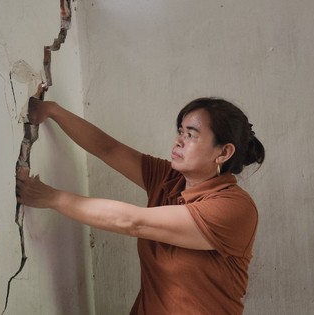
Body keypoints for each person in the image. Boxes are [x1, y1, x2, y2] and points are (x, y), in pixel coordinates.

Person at [16, 94, 265, 315]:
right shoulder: (169, 179)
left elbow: (133, 222)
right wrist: (54, 111)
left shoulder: (235, 208)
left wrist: (51, 197)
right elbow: (108, 149)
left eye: (191, 135)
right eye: (180, 131)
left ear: (223, 153)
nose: (179, 141)